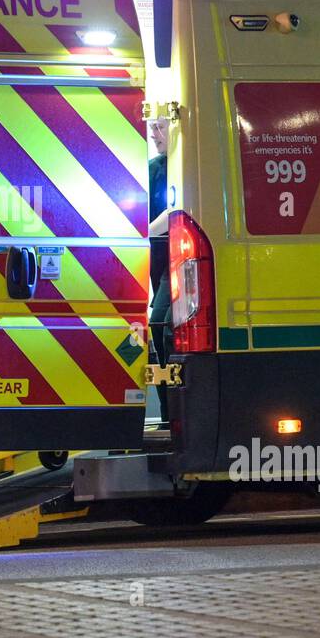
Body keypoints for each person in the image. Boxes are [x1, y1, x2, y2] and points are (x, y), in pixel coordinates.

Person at [148, 118, 171, 418]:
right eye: (152, 126)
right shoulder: (154, 169)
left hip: (180, 264)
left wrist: (145, 230)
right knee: (159, 327)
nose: (154, 133)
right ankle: (169, 410)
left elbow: (177, 210)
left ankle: (171, 411)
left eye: (160, 126)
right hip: (160, 263)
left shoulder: (192, 165)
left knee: (160, 324)